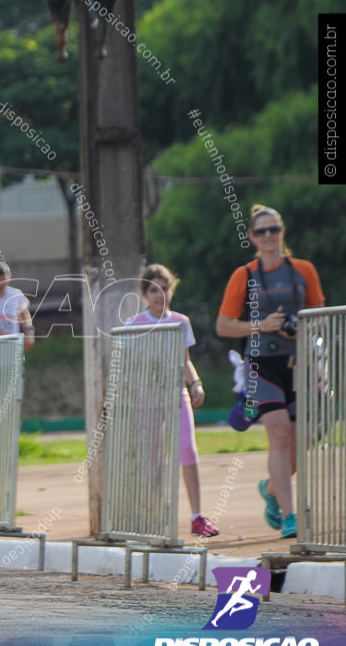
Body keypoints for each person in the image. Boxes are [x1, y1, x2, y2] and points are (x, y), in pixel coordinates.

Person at [216, 205, 325, 539]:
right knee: (278, 435)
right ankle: (291, 516)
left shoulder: (304, 270)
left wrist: (303, 332)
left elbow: (320, 314)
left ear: (283, 231)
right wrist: (260, 325)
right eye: (261, 231)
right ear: (251, 237)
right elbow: (224, 325)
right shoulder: (244, 275)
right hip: (262, 363)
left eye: (273, 230)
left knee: (300, 442)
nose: (268, 237)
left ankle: (272, 488)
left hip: (299, 362)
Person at [126, 264, 220, 538]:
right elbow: (130, 365)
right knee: (152, 457)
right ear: (144, 293)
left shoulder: (180, 321)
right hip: (148, 398)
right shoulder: (134, 324)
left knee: (188, 450)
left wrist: (196, 383)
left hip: (176, 394)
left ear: (171, 290)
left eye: (164, 288)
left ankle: (197, 517)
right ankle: (151, 516)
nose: (160, 295)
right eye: (153, 289)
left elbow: (185, 362)